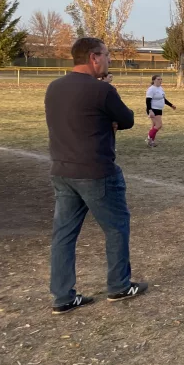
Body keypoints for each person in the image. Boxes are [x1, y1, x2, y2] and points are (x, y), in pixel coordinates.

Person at [44, 37, 148, 314]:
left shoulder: (54, 87)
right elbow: (127, 119)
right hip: (96, 172)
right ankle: (119, 286)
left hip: (62, 171)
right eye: (106, 54)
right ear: (93, 57)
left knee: (63, 236)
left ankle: (63, 296)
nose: (109, 59)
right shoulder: (102, 91)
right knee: (116, 227)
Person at [144, 74, 176, 148]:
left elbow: (163, 99)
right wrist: (150, 111)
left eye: (161, 79)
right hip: (153, 109)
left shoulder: (160, 88)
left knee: (154, 126)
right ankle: (149, 138)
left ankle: (151, 141)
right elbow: (148, 101)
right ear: (153, 80)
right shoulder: (151, 89)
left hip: (159, 109)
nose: (160, 81)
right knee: (159, 125)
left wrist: (171, 105)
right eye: (158, 79)